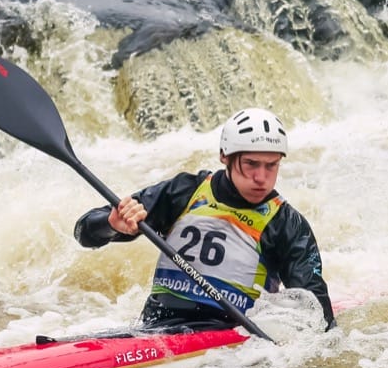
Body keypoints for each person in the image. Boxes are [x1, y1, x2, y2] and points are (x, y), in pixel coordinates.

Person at [73, 108, 335, 333]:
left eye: (271, 165)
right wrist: (111, 225)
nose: (261, 177)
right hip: (155, 328)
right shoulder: (185, 192)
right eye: (251, 164)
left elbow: (316, 314)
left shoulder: (286, 224)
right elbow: (83, 232)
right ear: (224, 156)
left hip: (231, 347)